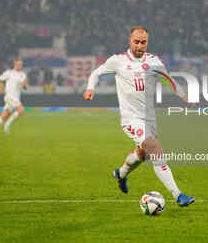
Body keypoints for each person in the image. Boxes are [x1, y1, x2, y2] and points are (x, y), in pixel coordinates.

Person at [83, 26, 195, 207]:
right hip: (130, 119)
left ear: (147, 43)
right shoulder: (117, 61)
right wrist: (90, 88)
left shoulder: (153, 61)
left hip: (149, 119)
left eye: (143, 42)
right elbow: (97, 73)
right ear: (130, 41)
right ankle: (178, 195)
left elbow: (168, 80)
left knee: (142, 154)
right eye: (136, 42)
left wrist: (184, 96)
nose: (139, 46)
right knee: (156, 149)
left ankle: (121, 173)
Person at [0, 59, 27, 139]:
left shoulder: (23, 74)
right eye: (18, 64)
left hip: (16, 97)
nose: (19, 66)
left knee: (4, 116)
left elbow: (25, 86)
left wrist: (24, 85)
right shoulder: (9, 73)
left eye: (21, 64)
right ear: (14, 64)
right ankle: (7, 124)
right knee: (21, 110)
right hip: (10, 96)